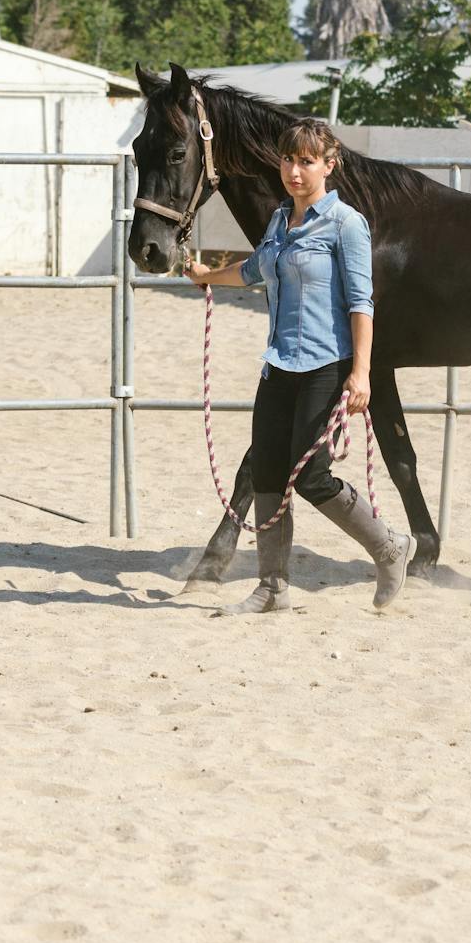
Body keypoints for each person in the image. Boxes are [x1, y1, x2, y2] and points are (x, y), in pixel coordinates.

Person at [185, 117, 415, 614]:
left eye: (306, 161)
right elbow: (252, 271)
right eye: (288, 160)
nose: (294, 171)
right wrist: (208, 276)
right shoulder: (277, 221)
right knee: (267, 472)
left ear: (329, 166)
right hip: (278, 365)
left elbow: (361, 303)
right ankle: (272, 587)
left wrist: (360, 374)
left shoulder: (346, 224)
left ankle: (389, 547)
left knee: (310, 476)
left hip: (326, 366)